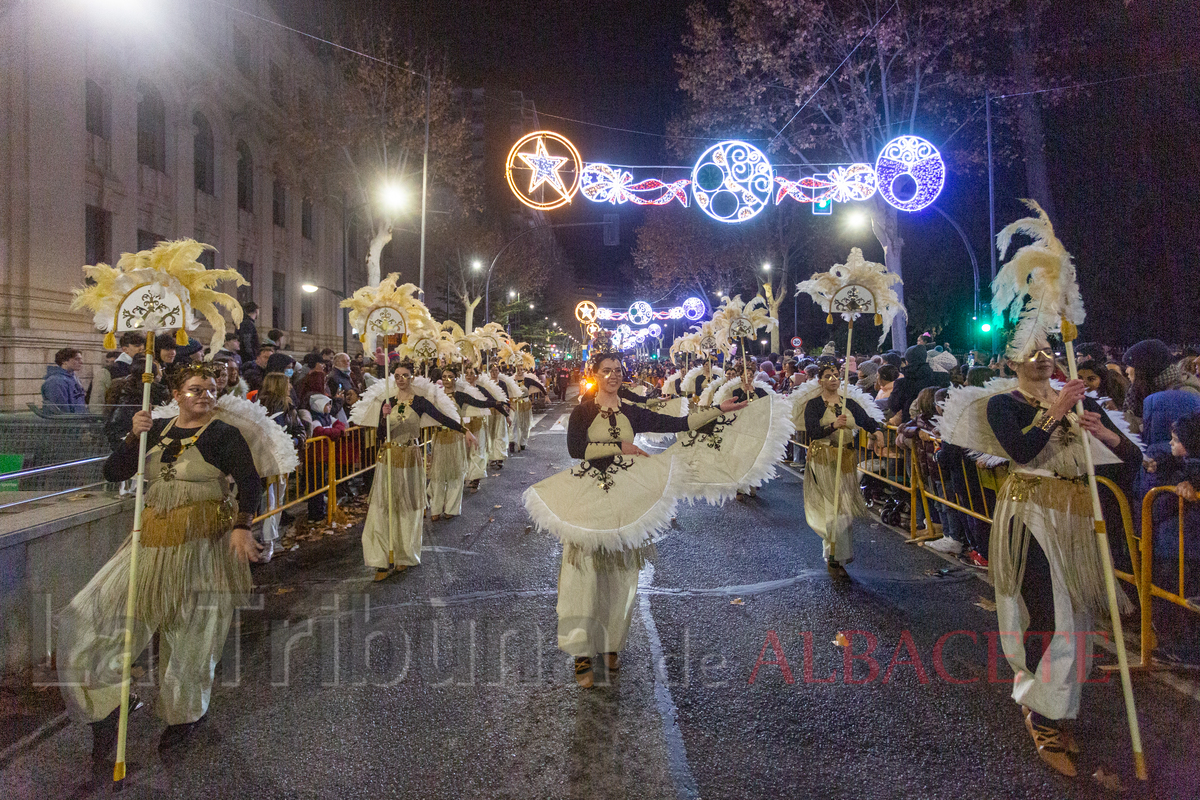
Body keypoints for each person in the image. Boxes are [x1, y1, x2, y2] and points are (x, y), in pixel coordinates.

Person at [944, 338, 1142, 777]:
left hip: (1074, 517)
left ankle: (1056, 707)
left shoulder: (1080, 400)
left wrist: (1106, 433)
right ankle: (1042, 713)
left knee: (1077, 616)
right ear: (1012, 360)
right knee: (1044, 613)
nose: (1043, 356)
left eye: (1047, 348)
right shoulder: (1002, 403)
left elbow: (1126, 461)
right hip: (1029, 513)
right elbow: (1021, 451)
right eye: (1031, 351)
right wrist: (1057, 411)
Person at [56, 364, 263, 769]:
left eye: (211, 389)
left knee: (191, 640)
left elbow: (251, 482)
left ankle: (184, 716)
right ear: (175, 392)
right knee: (91, 619)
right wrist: (134, 435)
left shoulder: (224, 435)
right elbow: (113, 472)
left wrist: (241, 526)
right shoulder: (156, 427)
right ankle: (108, 708)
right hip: (148, 545)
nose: (205, 395)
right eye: (195, 389)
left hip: (203, 549)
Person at [525, 352, 747, 688]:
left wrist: (719, 410)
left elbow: (677, 424)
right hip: (588, 492)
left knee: (622, 570)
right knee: (584, 570)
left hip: (626, 494)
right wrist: (621, 447)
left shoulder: (630, 410)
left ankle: (612, 642)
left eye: (617, 371)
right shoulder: (583, 410)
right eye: (606, 371)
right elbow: (575, 449)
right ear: (595, 374)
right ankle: (583, 651)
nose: (613, 376)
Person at [355, 360, 471, 581]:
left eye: (405, 375)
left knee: (407, 508)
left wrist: (464, 430)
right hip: (388, 459)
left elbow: (441, 417)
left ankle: (404, 555)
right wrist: (383, 417)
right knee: (384, 508)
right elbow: (381, 435)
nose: (401, 379)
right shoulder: (387, 402)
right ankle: (382, 559)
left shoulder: (419, 402)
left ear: (412, 377)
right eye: (397, 376)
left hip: (410, 459)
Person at [793, 361, 886, 576]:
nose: (833, 379)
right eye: (828, 376)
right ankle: (832, 553)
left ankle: (840, 555)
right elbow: (813, 431)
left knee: (843, 508)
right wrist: (833, 425)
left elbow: (866, 421)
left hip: (845, 459)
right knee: (830, 508)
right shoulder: (814, 404)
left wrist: (877, 431)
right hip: (822, 459)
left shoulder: (849, 403)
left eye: (836, 375)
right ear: (820, 380)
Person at [256, 373, 305, 561]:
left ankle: (272, 539)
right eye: (287, 383)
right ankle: (268, 541)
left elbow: (299, 429)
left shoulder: (288, 406)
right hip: (266, 459)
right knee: (270, 501)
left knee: (277, 499)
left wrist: (291, 440)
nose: (291, 386)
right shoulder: (260, 405)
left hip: (282, 458)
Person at [426, 363, 478, 521]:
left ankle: (452, 508)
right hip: (439, 438)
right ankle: (435, 508)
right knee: (437, 474)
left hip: (456, 437)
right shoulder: (434, 395)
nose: (447, 380)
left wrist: (498, 404)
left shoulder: (460, 396)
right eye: (444, 377)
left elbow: (480, 403)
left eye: (450, 377)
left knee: (455, 474)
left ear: (455, 379)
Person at [454, 363, 506, 493]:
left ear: (477, 376)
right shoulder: (459, 390)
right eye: (467, 373)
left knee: (477, 450)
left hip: (478, 423)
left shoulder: (481, 390)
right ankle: (466, 475)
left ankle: (475, 478)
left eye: (472, 373)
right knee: (464, 452)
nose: (469, 376)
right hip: (464, 425)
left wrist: (507, 415)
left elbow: (492, 402)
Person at [888, 344, 951, 424]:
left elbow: (893, 405)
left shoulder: (902, 383)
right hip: (936, 424)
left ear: (907, 362)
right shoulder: (941, 377)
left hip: (911, 425)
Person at [90, 332, 146, 414]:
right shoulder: (108, 372)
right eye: (137, 346)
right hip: (117, 419)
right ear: (125, 349)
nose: (142, 348)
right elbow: (97, 403)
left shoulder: (146, 368)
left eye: (143, 345)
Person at [484, 364, 513, 471]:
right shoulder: (486, 384)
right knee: (490, 434)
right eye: (492, 371)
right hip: (490, 412)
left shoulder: (502, 384)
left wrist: (506, 409)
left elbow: (505, 397)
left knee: (499, 433)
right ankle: (492, 456)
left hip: (500, 412)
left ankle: (500, 456)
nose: (494, 373)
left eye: (496, 370)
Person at [41, 348, 87, 414]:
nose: (81, 362)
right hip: (68, 422)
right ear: (64, 361)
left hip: (78, 420)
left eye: (81, 359)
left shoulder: (74, 378)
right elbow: (61, 411)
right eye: (77, 359)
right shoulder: (55, 381)